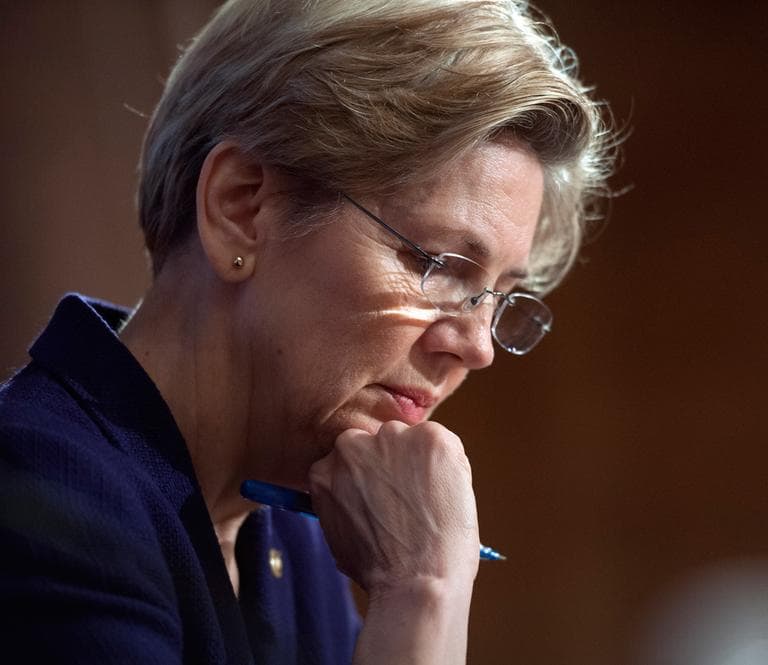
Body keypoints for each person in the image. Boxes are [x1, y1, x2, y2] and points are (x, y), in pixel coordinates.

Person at [0, 0, 614, 663]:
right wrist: (421, 592)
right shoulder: (42, 499)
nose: (477, 346)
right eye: (437, 264)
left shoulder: (294, 533)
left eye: (499, 297)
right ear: (241, 207)